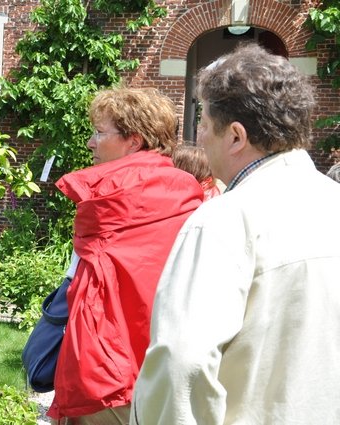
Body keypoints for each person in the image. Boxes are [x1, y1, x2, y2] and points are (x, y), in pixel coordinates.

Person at [131, 43, 340, 424]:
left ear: (236, 137)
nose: (200, 138)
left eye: (205, 125)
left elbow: (182, 361)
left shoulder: (223, 220)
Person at [47, 87, 204, 424]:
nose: (91, 142)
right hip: (167, 369)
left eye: (100, 132)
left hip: (105, 377)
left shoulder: (106, 197)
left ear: (133, 141)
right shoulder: (189, 196)